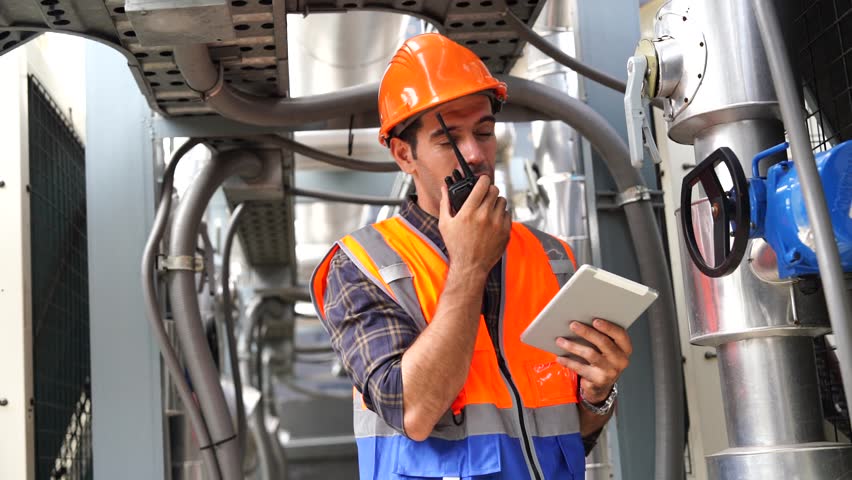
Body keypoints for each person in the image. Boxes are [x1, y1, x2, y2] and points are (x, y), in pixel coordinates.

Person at [310, 32, 632, 480]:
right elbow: (414, 412)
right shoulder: (362, 265)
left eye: (484, 132)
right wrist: (468, 266)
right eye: (450, 140)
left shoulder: (551, 256)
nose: (477, 155)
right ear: (404, 154)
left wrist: (598, 396)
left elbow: (567, 435)